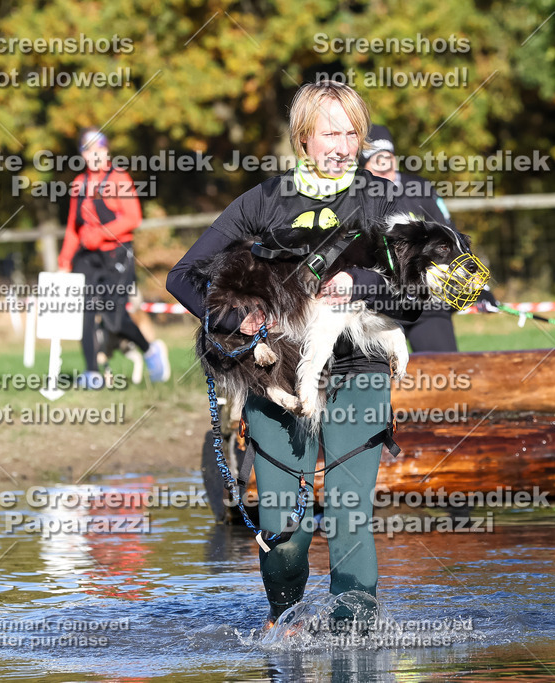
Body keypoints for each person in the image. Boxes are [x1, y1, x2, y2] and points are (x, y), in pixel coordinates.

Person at [166, 82, 419, 630]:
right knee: (286, 531)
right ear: (304, 138)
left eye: (354, 132)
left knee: (351, 517)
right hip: (274, 370)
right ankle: (287, 626)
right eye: (333, 131)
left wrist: (364, 283)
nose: (346, 144)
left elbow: (422, 295)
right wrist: (241, 324)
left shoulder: (385, 198)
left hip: (359, 368)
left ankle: (358, 641)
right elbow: (182, 277)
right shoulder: (263, 201)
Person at [362, 125, 498, 351]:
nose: (385, 165)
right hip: (377, 307)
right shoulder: (355, 198)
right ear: (363, 167)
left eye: (388, 158)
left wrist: (478, 287)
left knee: (445, 372)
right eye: (376, 160)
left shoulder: (419, 188)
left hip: (426, 302)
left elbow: (454, 241)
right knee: (379, 382)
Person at [58, 128, 170, 387]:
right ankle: (91, 373)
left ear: (106, 151)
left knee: (114, 319)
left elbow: (133, 218)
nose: (93, 155)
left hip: (116, 255)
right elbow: (73, 227)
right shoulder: (79, 183)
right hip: (87, 258)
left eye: (97, 150)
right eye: (87, 151)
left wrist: (100, 234)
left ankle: (150, 349)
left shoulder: (118, 179)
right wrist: (64, 260)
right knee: (84, 313)